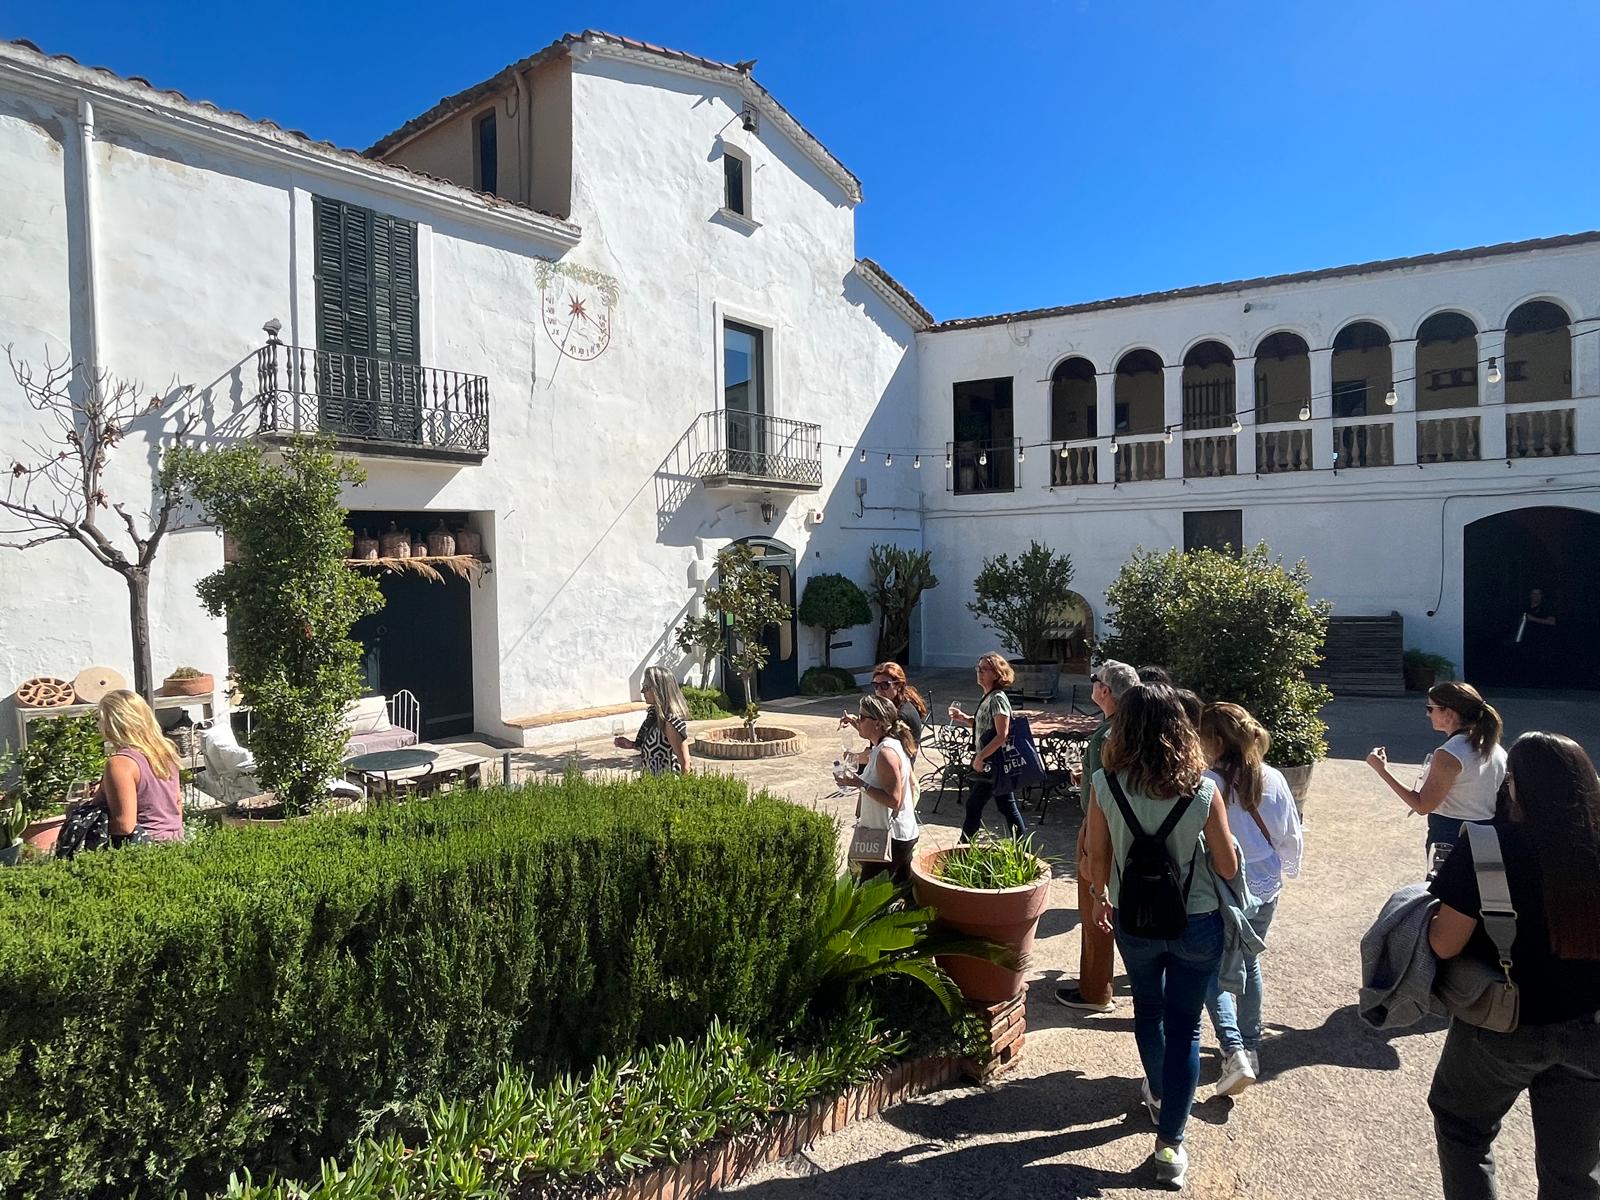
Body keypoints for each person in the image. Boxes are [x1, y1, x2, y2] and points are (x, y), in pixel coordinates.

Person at [1426, 731, 1600, 1200]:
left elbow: (1444, 944)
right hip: (1591, 1027)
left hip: (1503, 1025)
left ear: (1516, 785)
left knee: (1463, 1128)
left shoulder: (1488, 847)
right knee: (1573, 1173)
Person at [1081, 683, 1240, 1189]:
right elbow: (1227, 865)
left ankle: (1157, 1090)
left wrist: (1100, 899)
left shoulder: (1105, 784)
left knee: (1148, 1011)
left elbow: (1096, 858)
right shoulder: (1204, 790)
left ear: (1124, 729)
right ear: (1180, 728)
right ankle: (1171, 1143)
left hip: (1134, 919)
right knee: (1186, 1027)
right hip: (1197, 920)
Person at [1200, 702, 1304, 1098]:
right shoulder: (1272, 777)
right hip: (1265, 882)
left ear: (1215, 740)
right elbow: (1290, 833)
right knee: (1249, 962)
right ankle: (1251, 1043)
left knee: (1211, 967)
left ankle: (1235, 1049)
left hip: (1224, 885)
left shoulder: (1207, 783)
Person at [1057, 658, 1140, 1013]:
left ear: (1105, 691)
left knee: (1096, 910)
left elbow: (1099, 797)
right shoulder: (1137, 726)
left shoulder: (1105, 735)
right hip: (1135, 829)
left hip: (1101, 828)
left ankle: (1095, 991)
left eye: (1095, 680)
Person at [1367, 682, 1506, 855]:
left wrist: (1382, 770)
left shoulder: (1450, 753)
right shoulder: (1495, 748)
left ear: (1448, 713)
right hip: (1487, 834)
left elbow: (1422, 805)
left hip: (1450, 835)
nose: (1427, 714)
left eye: (1430, 708)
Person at [840, 694, 921, 883]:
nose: (858, 721)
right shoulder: (887, 746)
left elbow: (894, 801)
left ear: (878, 723)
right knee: (900, 892)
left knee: (868, 894)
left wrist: (860, 784)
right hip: (896, 835)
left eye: (862, 717)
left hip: (890, 838)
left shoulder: (886, 753)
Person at [948, 653, 1026, 840]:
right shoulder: (988, 696)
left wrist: (980, 756)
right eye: (978, 668)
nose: (979, 672)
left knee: (975, 805)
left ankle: (964, 848)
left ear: (997, 674)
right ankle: (1021, 848)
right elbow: (986, 726)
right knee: (1005, 806)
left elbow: (1001, 734)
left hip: (993, 763)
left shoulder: (998, 698)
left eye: (984, 669)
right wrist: (964, 718)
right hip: (990, 762)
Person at [94, 690, 184, 844]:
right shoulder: (166, 753)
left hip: (142, 846)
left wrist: (89, 828)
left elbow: (124, 825)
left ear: (112, 724)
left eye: (100, 720)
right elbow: (176, 802)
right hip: (175, 841)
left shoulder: (121, 763)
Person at [615, 666, 690, 776]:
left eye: (646, 687)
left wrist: (683, 786)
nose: (642, 691)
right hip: (651, 782)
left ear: (658, 690)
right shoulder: (654, 717)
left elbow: (685, 763)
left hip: (666, 784)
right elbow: (655, 750)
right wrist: (632, 745)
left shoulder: (670, 722)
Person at [841, 661, 928, 755]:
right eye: (875, 685)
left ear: (898, 685)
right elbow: (874, 732)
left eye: (885, 685)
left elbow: (883, 751)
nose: (879, 690)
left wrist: (853, 758)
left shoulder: (899, 715)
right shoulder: (895, 705)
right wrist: (854, 721)